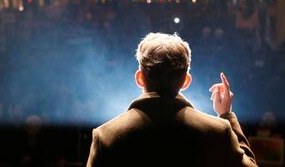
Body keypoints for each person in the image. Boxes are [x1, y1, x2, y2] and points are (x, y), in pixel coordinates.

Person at [87, 32, 257, 167]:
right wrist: (227, 116)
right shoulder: (218, 132)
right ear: (186, 81)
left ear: (139, 78)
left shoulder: (106, 136)